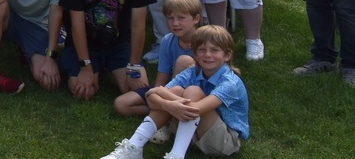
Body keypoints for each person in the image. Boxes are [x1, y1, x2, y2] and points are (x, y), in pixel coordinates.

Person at [99, 25, 250, 159]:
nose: (208, 55)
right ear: (195, 55)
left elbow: (196, 109)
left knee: (191, 91)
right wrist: (168, 103)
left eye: (214, 50)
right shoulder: (193, 71)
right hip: (194, 131)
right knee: (177, 91)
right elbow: (150, 97)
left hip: (223, 141)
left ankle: (177, 154)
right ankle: (134, 147)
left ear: (227, 55)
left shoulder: (230, 82)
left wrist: (164, 96)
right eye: (202, 50)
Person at [114, 0, 203, 119]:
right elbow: (161, 81)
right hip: (169, 89)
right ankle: (167, 112)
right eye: (170, 18)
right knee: (121, 104)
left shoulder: (204, 41)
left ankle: (165, 115)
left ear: (196, 19)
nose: (175, 23)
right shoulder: (168, 40)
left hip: (193, 92)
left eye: (181, 18)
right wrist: (157, 96)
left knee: (183, 61)